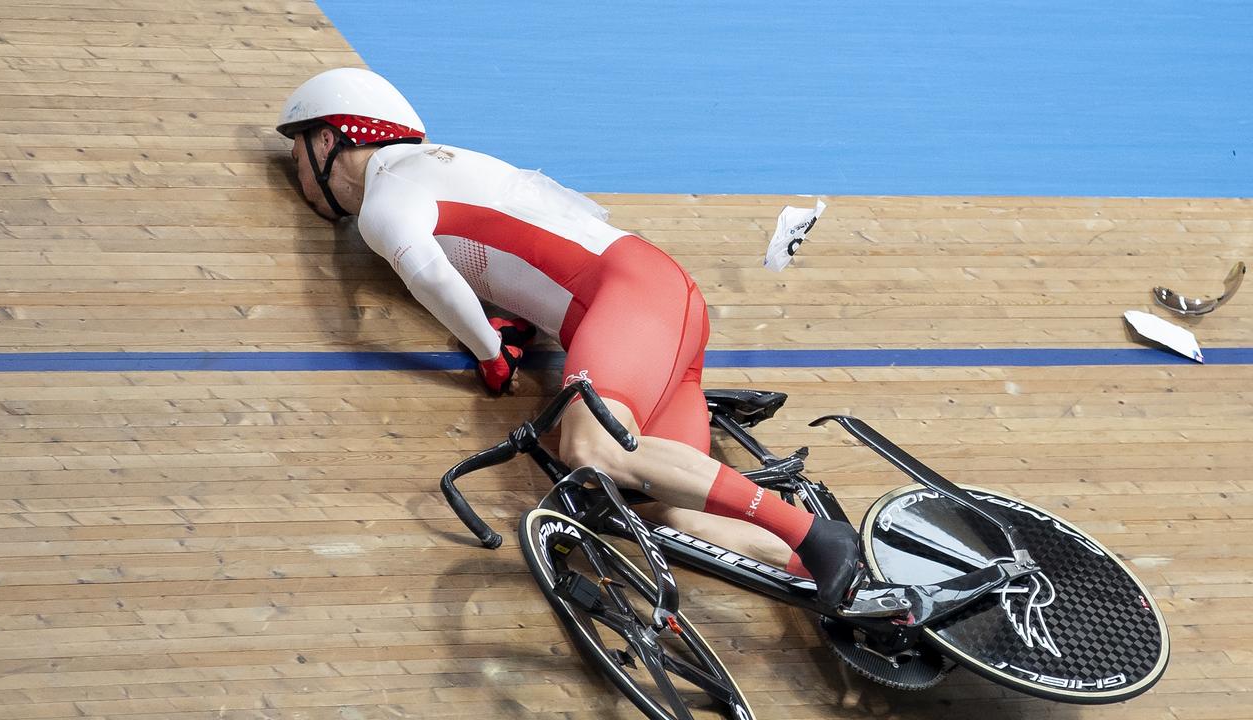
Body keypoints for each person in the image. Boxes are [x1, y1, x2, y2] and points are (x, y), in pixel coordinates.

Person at [276, 68, 862, 608]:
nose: (295, 170)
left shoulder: (387, 194)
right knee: (662, 506)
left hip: (627, 299)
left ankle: (814, 534)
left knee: (590, 450)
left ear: (327, 141)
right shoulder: (433, 165)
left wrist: (489, 352)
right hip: (650, 302)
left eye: (296, 152)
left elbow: (426, 271)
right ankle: (865, 589)